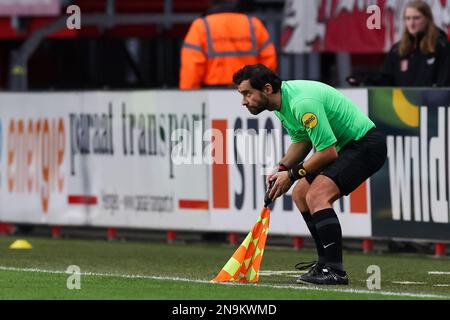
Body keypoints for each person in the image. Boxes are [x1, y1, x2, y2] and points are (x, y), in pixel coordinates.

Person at [233, 64, 387, 285]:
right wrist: (282, 168)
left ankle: (335, 271)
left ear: (267, 89)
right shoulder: (281, 103)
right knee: (300, 194)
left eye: (247, 93)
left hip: (365, 145)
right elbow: (302, 141)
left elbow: (327, 152)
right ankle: (324, 263)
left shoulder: (302, 103)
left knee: (317, 196)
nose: (244, 101)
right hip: (348, 148)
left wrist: (292, 175)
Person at [179, 0, 277, 90]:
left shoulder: (201, 26)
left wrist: (189, 96)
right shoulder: (253, 24)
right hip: (250, 91)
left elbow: (191, 67)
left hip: (212, 93)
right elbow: (268, 63)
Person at [381, 0, 450, 87]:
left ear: (428, 19)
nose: (411, 23)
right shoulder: (396, 50)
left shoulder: (441, 47)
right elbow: (384, 82)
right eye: (408, 18)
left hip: (432, 100)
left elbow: (444, 86)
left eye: (416, 18)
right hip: (400, 100)